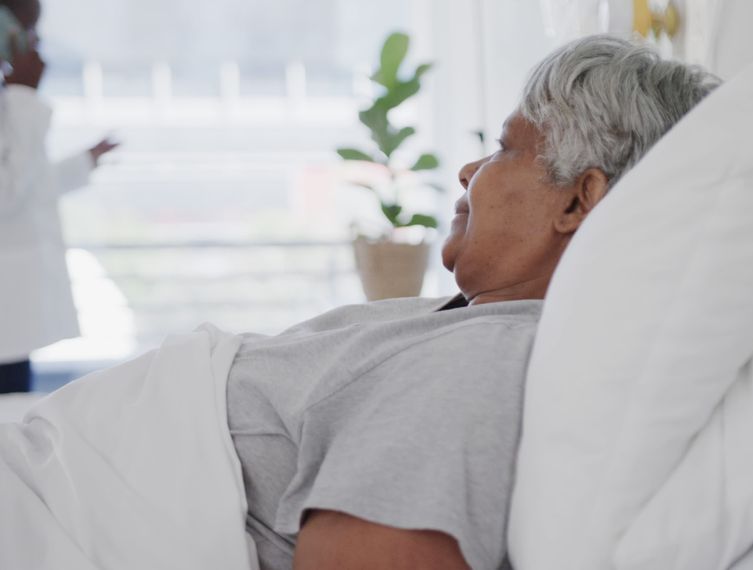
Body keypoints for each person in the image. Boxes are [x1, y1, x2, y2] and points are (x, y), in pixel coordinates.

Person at [224, 35, 721, 570]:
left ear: (578, 200)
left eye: (506, 148)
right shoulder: (475, 325)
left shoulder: (482, 361)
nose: (468, 170)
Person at [0, 0, 118, 393]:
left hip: (12, 324)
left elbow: (25, 184)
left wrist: (82, 164)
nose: (33, 41)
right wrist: (22, 96)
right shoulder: (14, 96)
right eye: (24, 29)